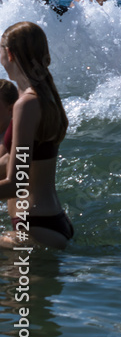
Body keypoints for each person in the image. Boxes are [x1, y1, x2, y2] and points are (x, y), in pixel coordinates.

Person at [0, 22, 73, 249]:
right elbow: (8, 162)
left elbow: (16, 183)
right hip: (48, 222)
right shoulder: (45, 96)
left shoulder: (27, 104)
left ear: (9, 54)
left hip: (34, 227)